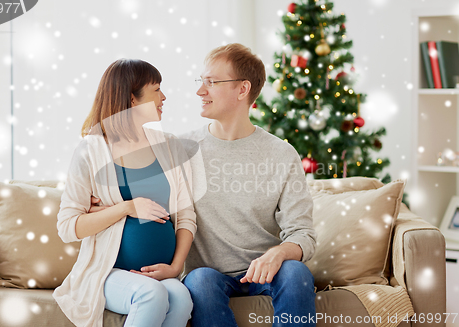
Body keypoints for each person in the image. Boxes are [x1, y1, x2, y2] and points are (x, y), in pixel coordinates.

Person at [180, 43, 317, 327]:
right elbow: (138, 189)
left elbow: (303, 234)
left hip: (267, 274)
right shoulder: (182, 150)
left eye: (212, 82)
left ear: (242, 90)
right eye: (201, 81)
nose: (200, 91)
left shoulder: (281, 154)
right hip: (209, 274)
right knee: (200, 280)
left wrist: (277, 254)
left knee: (295, 273)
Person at [53, 59, 197, 327]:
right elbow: (67, 227)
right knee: (150, 295)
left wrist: (176, 268)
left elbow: (187, 216)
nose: (163, 97)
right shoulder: (91, 151)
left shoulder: (169, 146)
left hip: (162, 274)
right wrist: (126, 207)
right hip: (109, 273)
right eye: (156, 90)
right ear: (132, 99)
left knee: (181, 297)